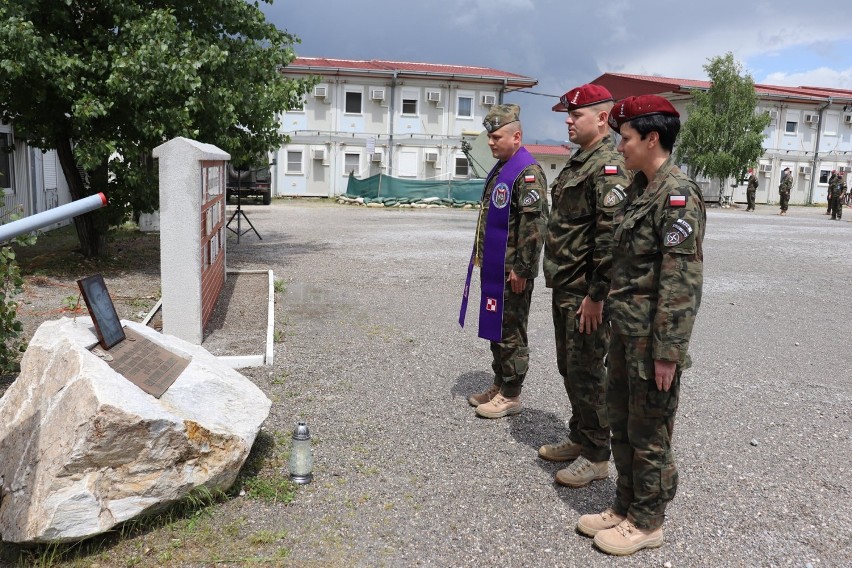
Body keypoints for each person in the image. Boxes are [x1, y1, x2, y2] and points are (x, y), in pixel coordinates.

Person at [576, 95, 705, 556]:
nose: (620, 146)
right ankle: (625, 506)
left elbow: (681, 280)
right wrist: (596, 294)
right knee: (622, 423)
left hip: (652, 341)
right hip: (625, 332)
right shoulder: (638, 188)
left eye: (626, 138)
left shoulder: (678, 195)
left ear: (652, 138)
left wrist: (668, 351)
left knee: (650, 431)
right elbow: (617, 256)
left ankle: (648, 521)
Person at [538, 84, 632, 488]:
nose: (569, 120)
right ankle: (581, 436)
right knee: (571, 368)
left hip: (586, 294)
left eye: (577, 115)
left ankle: (597, 455)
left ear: (602, 118)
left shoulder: (609, 167)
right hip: (568, 287)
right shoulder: (581, 162)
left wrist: (596, 296)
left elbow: (610, 239)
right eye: (570, 114)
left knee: (589, 370)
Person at [460, 103, 548, 419]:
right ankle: (499, 383)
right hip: (497, 267)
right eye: (489, 136)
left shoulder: (527, 173)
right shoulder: (501, 168)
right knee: (496, 326)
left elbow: (534, 227)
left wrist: (523, 269)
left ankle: (511, 393)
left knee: (511, 330)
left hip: (513, 271)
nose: (490, 142)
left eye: (496, 136)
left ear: (516, 136)